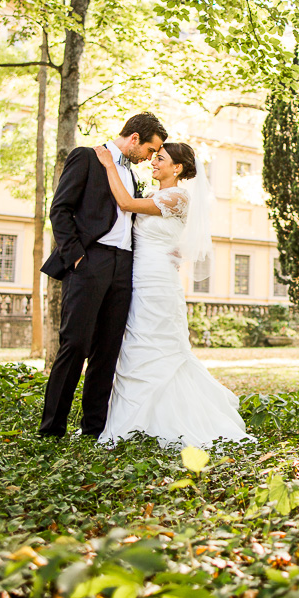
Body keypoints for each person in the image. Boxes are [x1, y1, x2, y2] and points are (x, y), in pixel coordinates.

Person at [92, 141, 250, 448]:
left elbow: (125, 204)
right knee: (137, 343)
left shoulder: (177, 196)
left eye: (159, 158)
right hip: (139, 276)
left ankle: (169, 420)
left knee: (159, 345)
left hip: (158, 282)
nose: (153, 161)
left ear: (176, 168)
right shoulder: (154, 194)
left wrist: (109, 163)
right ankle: (133, 420)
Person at [37, 113, 167, 438]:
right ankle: (51, 429)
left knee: (108, 350)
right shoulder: (86, 157)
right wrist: (77, 258)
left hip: (123, 267)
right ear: (135, 138)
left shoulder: (131, 175)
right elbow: (60, 209)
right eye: (151, 150)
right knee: (75, 344)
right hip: (90, 261)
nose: (151, 158)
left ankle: (94, 428)